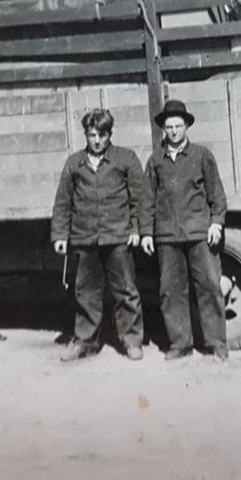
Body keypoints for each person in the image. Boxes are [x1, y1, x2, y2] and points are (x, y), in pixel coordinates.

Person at [50, 109, 151, 362]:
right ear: (86, 134)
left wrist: (138, 230)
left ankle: (131, 341)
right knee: (85, 292)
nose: (96, 140)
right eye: (92, 135)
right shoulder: (74, 163)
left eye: (102, 135)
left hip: (118, 237)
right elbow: (63, 202)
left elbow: (140, 198)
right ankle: (85, 341)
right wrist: (60, 235)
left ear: (110, 135)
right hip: (85, 238)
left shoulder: (125, 158)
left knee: (126, 291)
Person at [142, 99, 230, 361]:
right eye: (169, 127)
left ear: (187, 126)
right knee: (170, 291)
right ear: (163, 129)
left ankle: (216, 342)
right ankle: (180, 344)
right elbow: (147, 199)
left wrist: (216, 222)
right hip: (167, 236)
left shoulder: (202, 156)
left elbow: (217, 193)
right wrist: (147, 232)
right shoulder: (155, 160)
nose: (173, 131)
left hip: (199, 233)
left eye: (178, 126)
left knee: (209, 286)